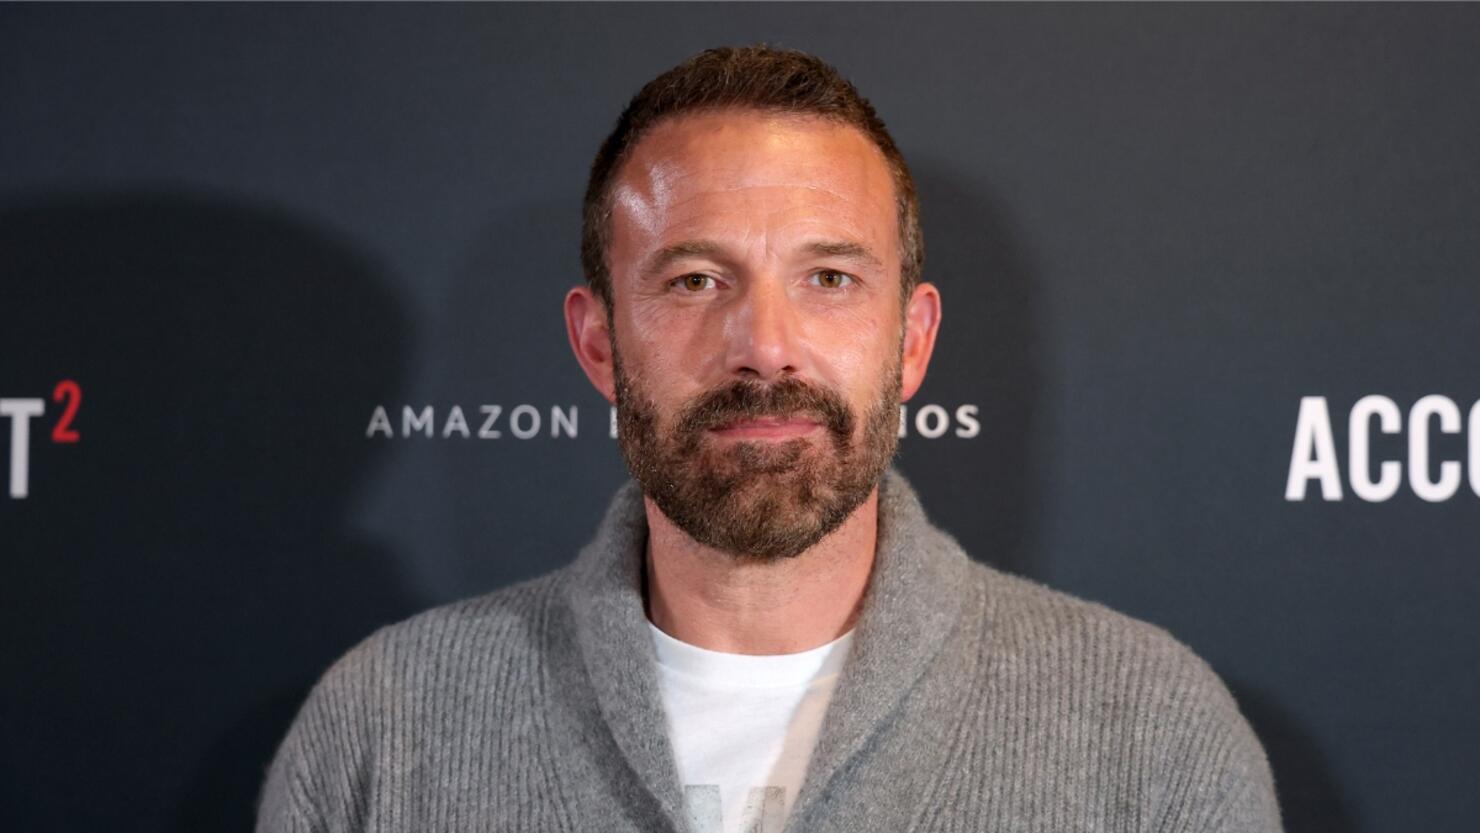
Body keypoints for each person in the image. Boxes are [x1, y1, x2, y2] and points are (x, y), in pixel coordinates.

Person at [257, 46, 1282, 833]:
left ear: (912, 340)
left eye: (828, 278)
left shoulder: (1149, 732)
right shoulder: (385, 728)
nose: (764, 347)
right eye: (695, 280)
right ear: (599, 343)